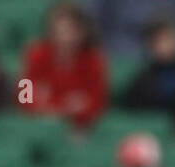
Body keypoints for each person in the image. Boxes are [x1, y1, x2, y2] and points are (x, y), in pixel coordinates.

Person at [19, 2, 109, 131]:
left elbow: (97, 102)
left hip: (79, 128)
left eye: (69, 31)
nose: (63, 37)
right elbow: (23, 95)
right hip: (39, 124)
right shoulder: (35, 55)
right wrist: (53, 108)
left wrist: (52, 104)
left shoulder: (94, 60)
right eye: (58, 30)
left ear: (82, 32)